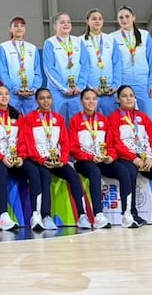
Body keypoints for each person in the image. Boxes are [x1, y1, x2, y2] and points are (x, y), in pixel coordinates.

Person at [107, 85, 152, 226]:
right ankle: (132, 214)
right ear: (118, 100)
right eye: (124, 96)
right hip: (126, 157)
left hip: (146, 156)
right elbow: (115, 143)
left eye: (131, 95)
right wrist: (133, 158)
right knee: (129, 174)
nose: (128, 98)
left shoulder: (143, 117)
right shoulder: (113, 118)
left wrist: (150, 156)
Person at [20, 88, 93, 230]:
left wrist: (63, 159)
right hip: (39, 160)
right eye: (42, 98)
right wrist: (41, 160)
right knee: (45, 176)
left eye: (48, 98)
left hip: (57, 160)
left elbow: (65, 143)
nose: (46, 101)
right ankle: (46, 216)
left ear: (52, 100)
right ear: (36, 101)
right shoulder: (28, 119)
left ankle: (82, 215)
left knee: (72, 175)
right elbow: (28, 144)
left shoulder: (59, 119)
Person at [0, 85, 46, 231]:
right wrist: (1, 157)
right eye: (0, 94)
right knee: (1, 173)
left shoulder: (17, 116)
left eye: (6, 94)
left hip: (15, 158)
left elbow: (23, 140)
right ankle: (3, 215)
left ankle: (36, 215)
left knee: (34, 171)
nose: (4, 97)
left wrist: (21, 157)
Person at [69, 89, 133, 229]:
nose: (91, 102)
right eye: (87, 99)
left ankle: (126, 214)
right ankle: (98, 215)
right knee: (94, 172)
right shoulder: (75, 120)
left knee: (123, 171)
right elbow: (73, 148)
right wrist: (91, 157)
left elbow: (111, 144)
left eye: (94, 99)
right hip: (83, 161)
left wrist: (111, 156)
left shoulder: (103, 120)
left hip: (102, 160)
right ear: (81, 101)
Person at [110, 5, 152, 125]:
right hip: (123, 82)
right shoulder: (113, 37)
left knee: (149, 119)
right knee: (125, 119)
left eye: (127, 16)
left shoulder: (145, 35)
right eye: (121, 17)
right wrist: (115, 84)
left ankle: (151, 143)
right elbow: (112, 63)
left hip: (143, 82)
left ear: (133, 17)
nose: (124, 20)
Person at [42, 13, 90, 124]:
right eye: (62, 22)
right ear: (55, 25)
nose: (66, 24)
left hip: (77, 91)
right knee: (58, 123)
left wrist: (81, 86)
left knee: (78, 124)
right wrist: (64, 88)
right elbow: (50, 68)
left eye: (68, 22)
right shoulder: (50, 43)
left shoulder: (78, 42)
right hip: (58, 92)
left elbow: (85, 66)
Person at [80, 9, 121, 115]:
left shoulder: (111, 40)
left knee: (112, 121)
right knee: (92, 122)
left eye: (100, 19)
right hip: (90, 91)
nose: (97, 21)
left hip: (110, 90)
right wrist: (90, 86)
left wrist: (115, 85)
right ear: (87, 21)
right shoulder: (80, 41)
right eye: (94, 19)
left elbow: (117, 64)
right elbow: (81, 67)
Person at [0, 16, 41, 115]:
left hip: (30, 93)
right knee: (12, 123)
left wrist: (34, 88)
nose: (19, 28)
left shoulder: (32, 48)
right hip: (13, 94)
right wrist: (14, 89)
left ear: (25, 29)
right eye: (16, 26)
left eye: (22, 26)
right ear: (10, 29)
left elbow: (38, 72)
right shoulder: (4, 47)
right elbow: (3, 71)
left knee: (31, 123)